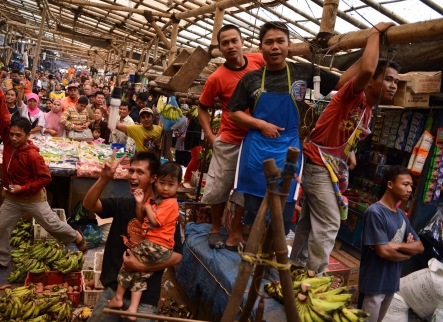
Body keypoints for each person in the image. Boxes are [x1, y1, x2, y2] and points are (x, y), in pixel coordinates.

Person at [290, 22, 398, 274]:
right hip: (317, 163)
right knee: (329, 221)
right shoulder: (352, 95)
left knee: (308, 218)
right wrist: (375, 33)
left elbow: (346, 129)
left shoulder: (368, 107)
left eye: (396, 81)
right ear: (371, 82)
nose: (393, 85)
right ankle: (315, 277)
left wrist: (348, 151)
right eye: (389, 79)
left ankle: (296, 264)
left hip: (328, 166)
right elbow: (367, 68)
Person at [228, 21, 341, 245]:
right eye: (269, 42)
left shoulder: (304, 71)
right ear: (261, 47)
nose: (275, 47)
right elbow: (234, 112)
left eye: (280, 41)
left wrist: (370, 53)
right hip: (257, 147)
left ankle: (268, 249)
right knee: (251, 199)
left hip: (288, 148)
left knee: (282, 200)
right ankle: (250, 245)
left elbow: (344, 82)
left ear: (289, 45)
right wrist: (261, 125)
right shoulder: (250, 79)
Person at [0, 79, 88, 275]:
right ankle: (1, 260)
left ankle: (76, 237)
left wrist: (24, 188)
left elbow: (45, 179)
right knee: (0, 228)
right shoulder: (8, 141)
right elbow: (3, 116)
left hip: (32, 198)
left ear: (27, 135)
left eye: (17, 135)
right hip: (12, 198)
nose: (13, 138)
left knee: (52, 224)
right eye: (11, 134)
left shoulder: (32, 155)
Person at [83, 152, 182, 322]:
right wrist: (104, 179)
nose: (133, 176)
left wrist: (142, 266)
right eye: (131, 171)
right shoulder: (123, 204)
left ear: (153, 178)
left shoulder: (166, 212)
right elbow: (89, 204)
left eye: (140, 172)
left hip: (145, 298)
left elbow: (177, 256)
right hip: (113, 290)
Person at [197, 24, 265, 250]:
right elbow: (203, 107)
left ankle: (235, 232)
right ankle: (215, 228)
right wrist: (210, 135)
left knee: (245, 189)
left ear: (243, 41)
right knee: (220, 186)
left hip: (255, 140)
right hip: (229, 139)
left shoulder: (258, 61)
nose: (230, 46)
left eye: (234, 40)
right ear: (219, 48)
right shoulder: (216, 78)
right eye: (225, 43)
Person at [108, 162, 181, 319]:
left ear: (178, 186)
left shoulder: (170, 204)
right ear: (155, 181)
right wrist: (141, 201)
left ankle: (118, 298)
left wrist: (148, 206)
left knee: (127, 264)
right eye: (162, 183)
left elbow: (155, 221)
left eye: (171, 184)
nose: (166, 188)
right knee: (139, 275)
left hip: (157, 246)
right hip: (155, 247)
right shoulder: (155, 200)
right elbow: (141, 217)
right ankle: (133, 310)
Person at [358, 166, 423, 322]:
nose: (409, 189)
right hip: (374, 284)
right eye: (405, 184)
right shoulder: (375, 212)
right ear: (390, 184)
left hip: (391, 283)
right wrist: (406, 254)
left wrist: (397, 246)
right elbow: (383, 252)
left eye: (411, 186)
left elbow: (419, 246)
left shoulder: (401, 215)